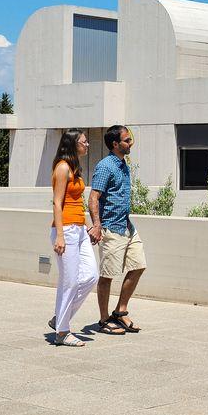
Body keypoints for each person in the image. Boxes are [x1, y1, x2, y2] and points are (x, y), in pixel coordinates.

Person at [88, 125, 145, 335]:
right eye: (127, 140)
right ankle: (104, 320)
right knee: (107, 275)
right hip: (111, 228)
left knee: (139, 265)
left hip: (127, 226)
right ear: (115, 144)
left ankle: (120, 312)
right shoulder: (105, 166)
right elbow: (93, 198)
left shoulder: (123, 164)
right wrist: (96, 225)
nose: (130, 143)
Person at [47, 128, 98, 347]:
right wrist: (59, 235)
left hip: (78, 228)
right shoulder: (62, 167)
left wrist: (86, 226)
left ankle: (60, 318)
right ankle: (62, 332)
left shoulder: (75, 168)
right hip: (65, 230)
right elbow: (58, 203)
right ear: (72, 144)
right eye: (84, 142)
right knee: (69, 281)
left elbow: (75, 202)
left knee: (90, 276)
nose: (87, 145)